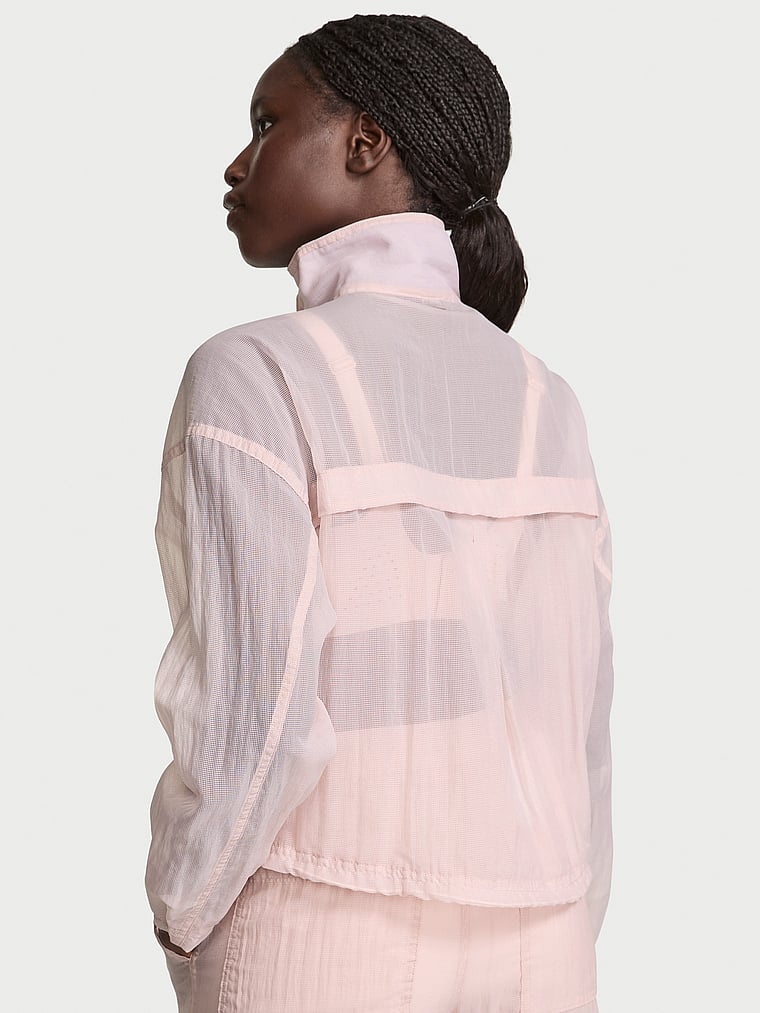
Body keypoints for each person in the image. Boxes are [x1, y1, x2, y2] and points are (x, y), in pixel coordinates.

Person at [145, 13, 614, 1013]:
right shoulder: (546, 397)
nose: (237, 162)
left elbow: (257, 702)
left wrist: (184, 907)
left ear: (365, 143)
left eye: (267, 122)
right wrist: (574, 912)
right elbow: (576, 706)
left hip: (319, 926)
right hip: (544, 933)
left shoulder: (254, 370)